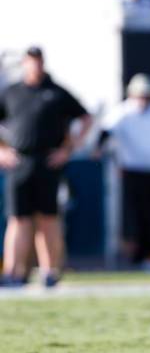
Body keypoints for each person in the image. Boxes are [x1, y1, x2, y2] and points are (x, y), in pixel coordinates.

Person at [0, 47, 92, 287]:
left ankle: (49, 272)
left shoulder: (57, 92)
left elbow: (85, 118)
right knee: (18, 219)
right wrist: (2, 151)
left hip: (48, 162)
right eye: (31, 62)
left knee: (48, 219)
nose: (36, 67)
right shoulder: (12, 92)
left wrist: (67, 149)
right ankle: (13, 272)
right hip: (20, 161)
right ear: (24, 64)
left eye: (39, 62)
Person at [97, 74, 150, 269]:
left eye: (147, 96)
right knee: (140, 215)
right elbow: (105, 131)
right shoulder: (123, 112)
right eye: (140, 95)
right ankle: (145, 255)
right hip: (133, 171)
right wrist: (99, 149)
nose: (143, 100)